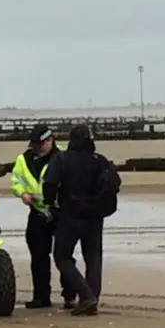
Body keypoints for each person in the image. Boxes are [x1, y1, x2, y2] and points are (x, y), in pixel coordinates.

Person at [42, 124, 122, 316]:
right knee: (93, 258)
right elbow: (115, 183)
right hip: (95, 216)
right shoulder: (100, 160)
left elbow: (50, 183)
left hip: (70, 215)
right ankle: (93, 297)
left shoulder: (62, 158)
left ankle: (86, 296)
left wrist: (50, 203)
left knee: (62, 256)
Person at [10, 124, 77, 309]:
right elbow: (16, 180)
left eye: (41, 144)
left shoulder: (63, 157)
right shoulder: (23, 159)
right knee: (38, 256)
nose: (37, 148)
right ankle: (41, 296)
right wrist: (22, 193)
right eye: (34, 144)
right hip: (37, 212)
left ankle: (70, 295)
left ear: (50, 140)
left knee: (63, 255)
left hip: (60, 211)